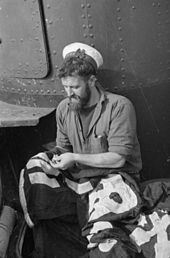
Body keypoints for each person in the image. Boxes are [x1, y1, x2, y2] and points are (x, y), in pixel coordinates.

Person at [19, 42, 142, 258]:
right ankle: (37, 221)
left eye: (75, 87)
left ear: (92, 81)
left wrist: (74, 157)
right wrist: (56, 159)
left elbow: (118, 159)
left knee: (103, 220)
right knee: (35, 164)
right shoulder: (64, 108)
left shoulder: (119, 106)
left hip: (115, 177)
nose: (69, 93)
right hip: (79, 176)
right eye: (65, 87)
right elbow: (62, 148)